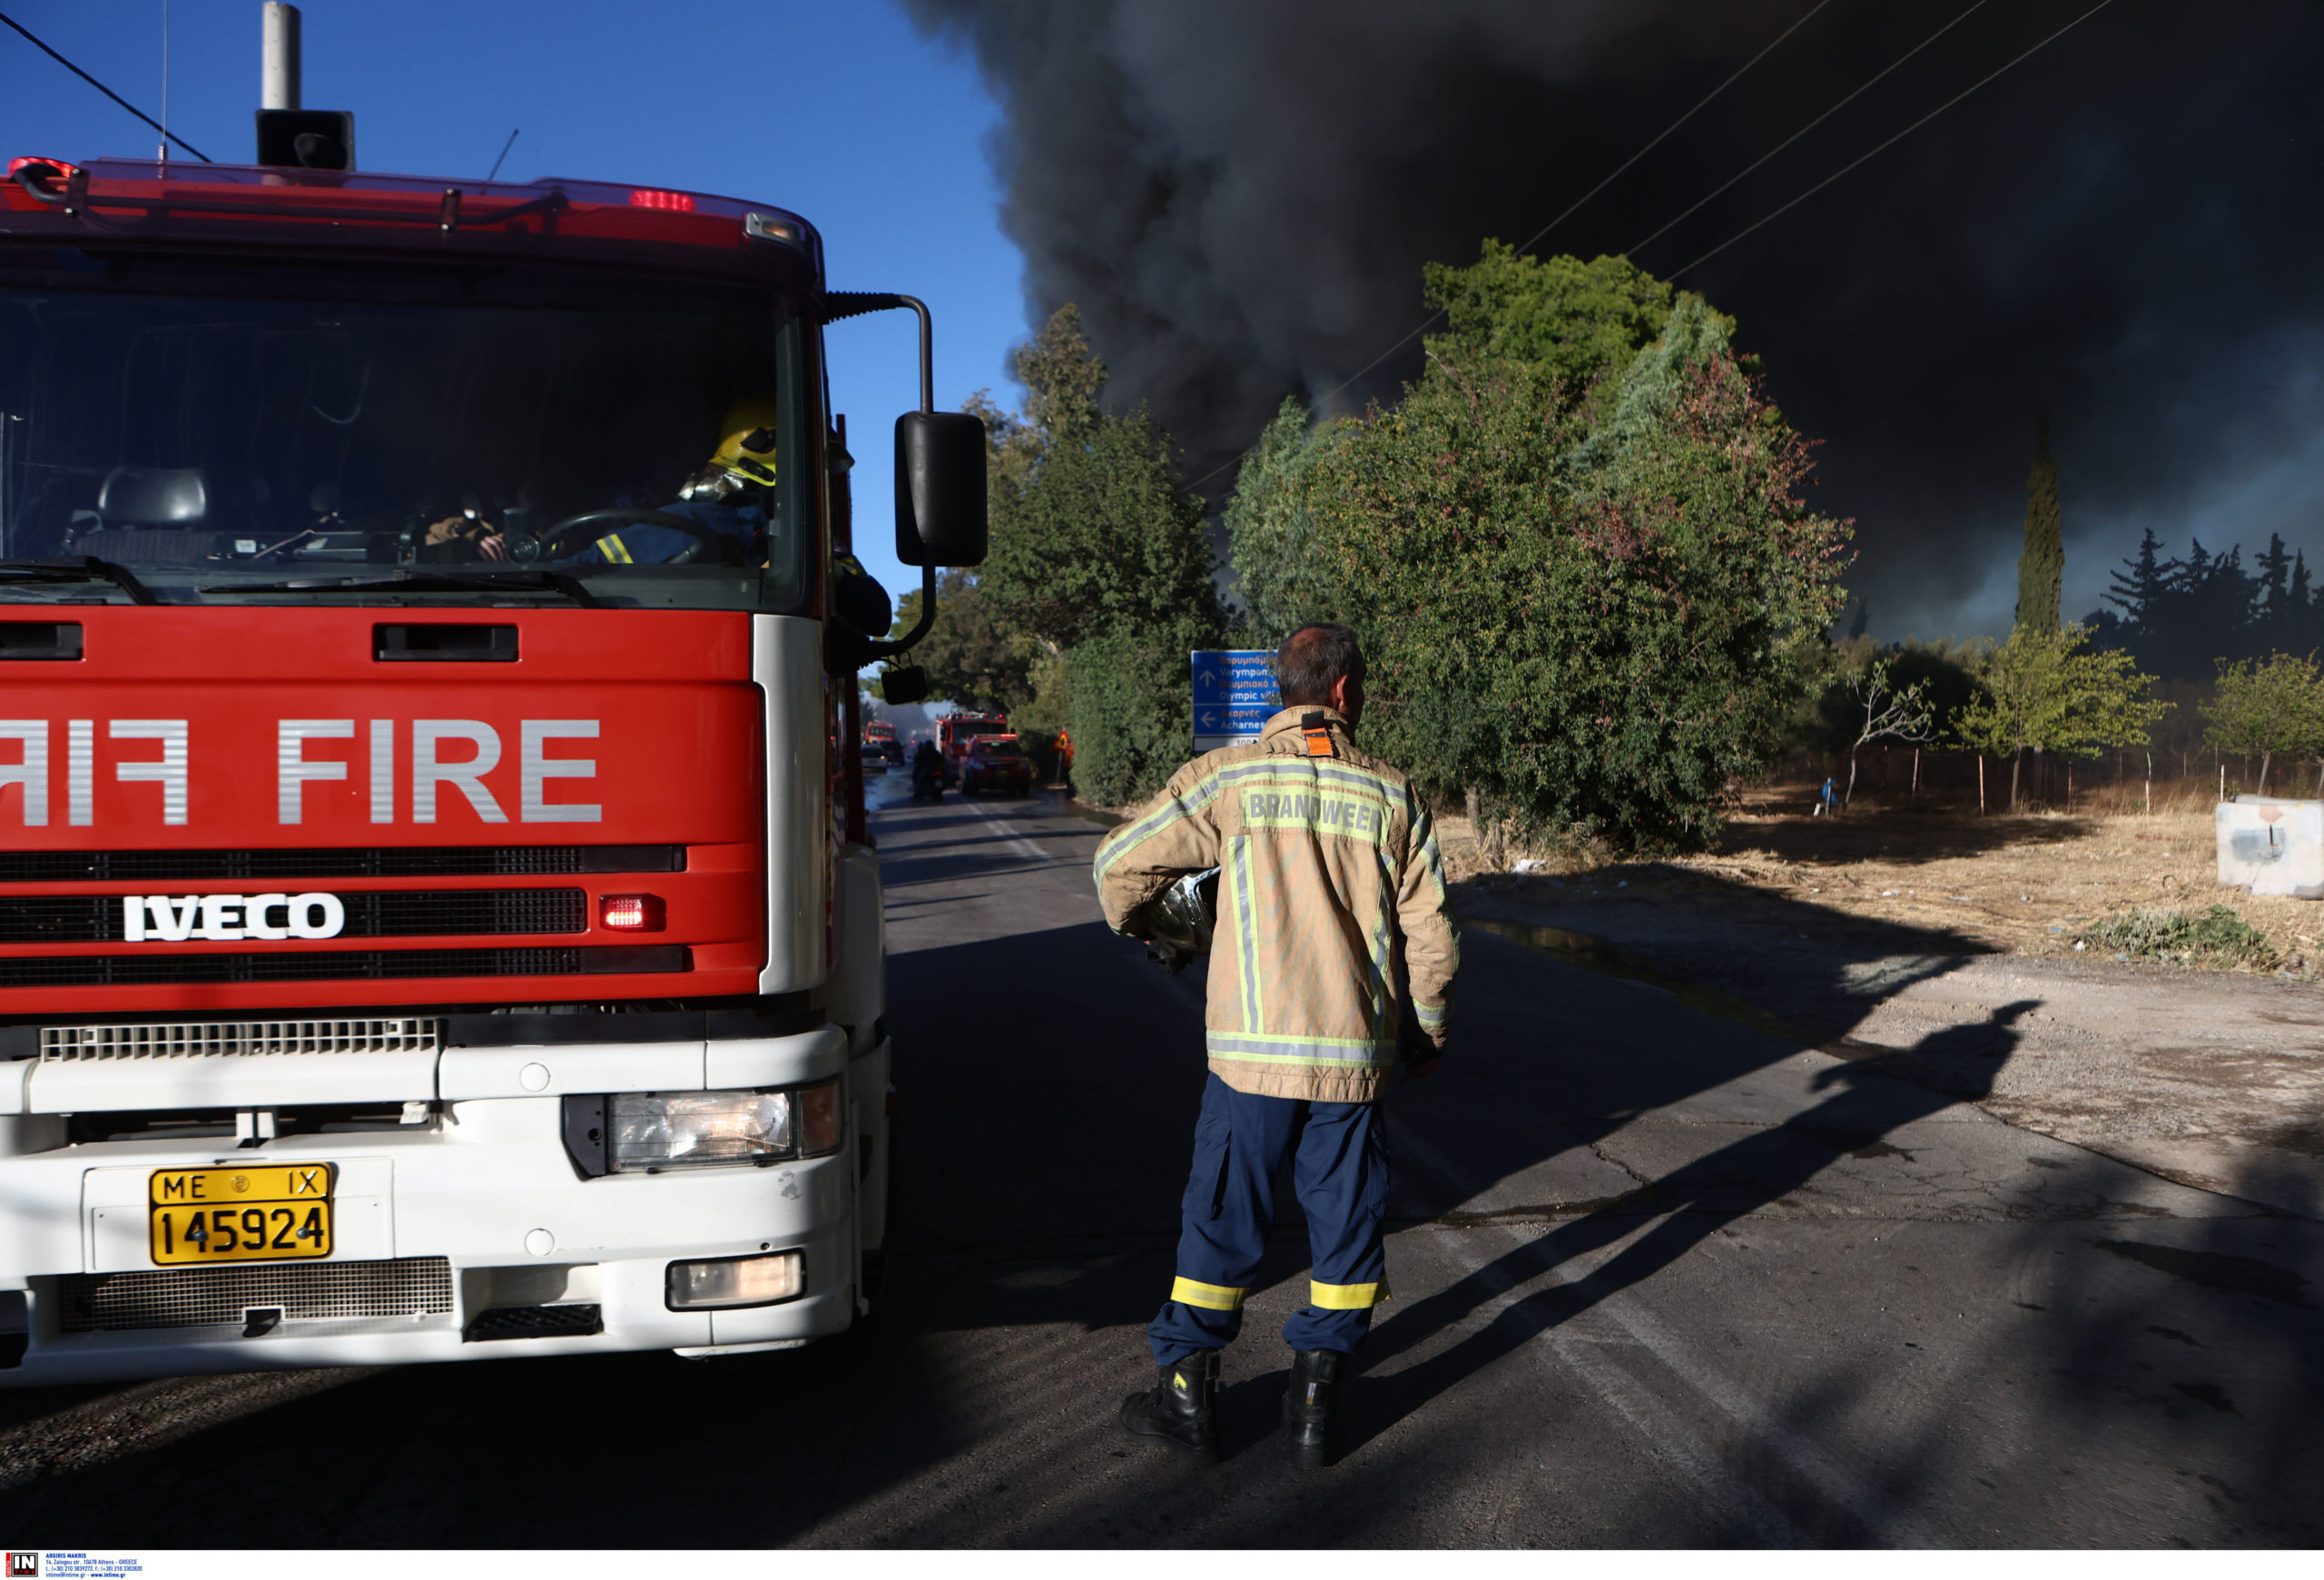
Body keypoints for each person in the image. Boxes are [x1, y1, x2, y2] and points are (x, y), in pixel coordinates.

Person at [1092, 622, 1459, 1468]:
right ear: (1339, 693)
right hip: (1350, 1063)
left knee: (1221, 1219)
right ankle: (1316, 1405)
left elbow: (1118, 867)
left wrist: (1163, 927)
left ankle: (1188, 1400)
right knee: (1346, 1227)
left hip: (1249, 1063)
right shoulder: (1393, 797)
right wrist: (1427, 1029)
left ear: (1282, 692)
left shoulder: (1228, 779)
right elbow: (1431, 936)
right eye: (1358, 687)